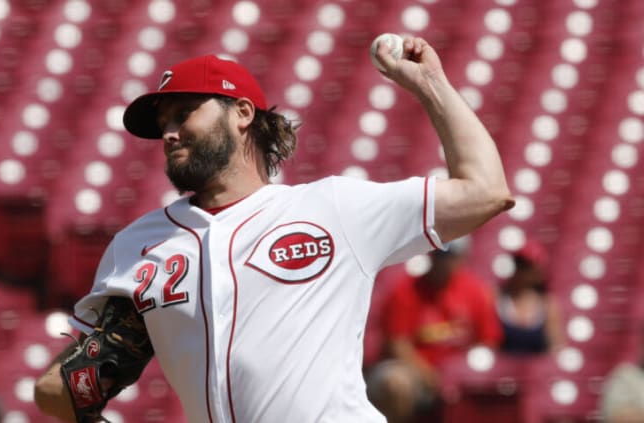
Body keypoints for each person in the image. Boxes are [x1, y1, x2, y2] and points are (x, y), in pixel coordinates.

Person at [34, 35, 514, 422]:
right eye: (163, 123)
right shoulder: (141, 247)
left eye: (184, 114)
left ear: (242, 113)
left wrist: (430, 83)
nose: (169, 133)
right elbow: (64, 390)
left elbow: (485, 191)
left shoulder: (333, 207)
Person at [366, 237, 503, 422]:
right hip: (416, 371)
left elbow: (488, 340)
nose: (444, 262)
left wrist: (461, 374)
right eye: (440, 255)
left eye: (450, 256)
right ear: (431, 255)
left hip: (460, 375)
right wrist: (430, 376)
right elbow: (397, 345)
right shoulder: (406, 290)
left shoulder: (475, 290)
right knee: (395, 383)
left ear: (462, 258)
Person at [497, 239, 564, 355]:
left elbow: (556, 347)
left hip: (538, 370)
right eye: (520, 264)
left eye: (527, 266)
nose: (522, 271)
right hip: (501, 369)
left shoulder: (547, 305)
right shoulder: (496, 298)